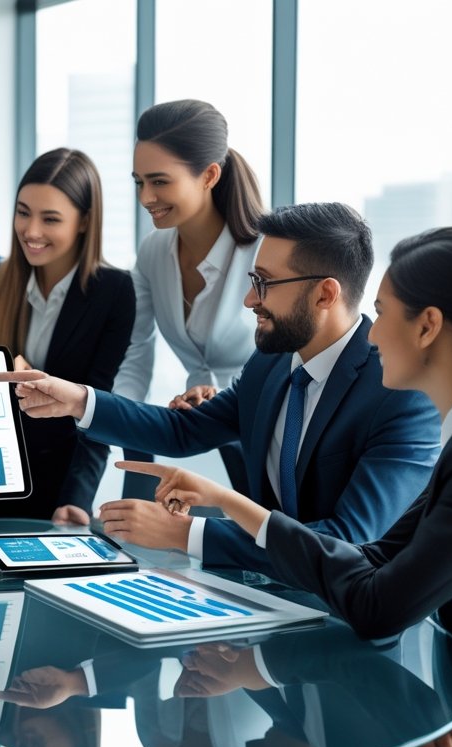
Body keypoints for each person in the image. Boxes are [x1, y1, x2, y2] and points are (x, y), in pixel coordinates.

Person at [114, 225, 452, 747]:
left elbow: (379, 606)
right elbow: (378, 555)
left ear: (428, 327)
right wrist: (235, 507)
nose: (371, 334)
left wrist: (229, 514)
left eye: (383, 313)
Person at [0, 203, 440, 573]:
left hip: (353, 625)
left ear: (325, 294)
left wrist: (186, 534)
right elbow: (184, 431)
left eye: (264, 283)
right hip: (265, 597)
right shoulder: (271, 363)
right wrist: (78, 400)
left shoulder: (402, 396)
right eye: (252, 281)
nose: (250, 299)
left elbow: (348, 542)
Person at [0, 148, 135, 527]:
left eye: (50, 218)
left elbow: (98, 406)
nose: (31, 231)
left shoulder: (115, 292)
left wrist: (76, 498)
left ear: (84, 221)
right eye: (23, 212)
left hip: (62, 489)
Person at [116, 100, 267, 494]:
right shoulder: (153, 252)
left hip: (270, 435)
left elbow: (294, 362)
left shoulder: (265, 252)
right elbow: (135, 353)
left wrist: (225, 397)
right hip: (204, 435)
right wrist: (111, 417)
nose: (146, 197)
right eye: (139, 182)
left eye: (160, 181)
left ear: (209, 175)